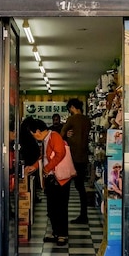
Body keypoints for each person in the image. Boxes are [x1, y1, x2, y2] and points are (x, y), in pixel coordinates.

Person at [24, 118, 71, 246]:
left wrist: (46, 168)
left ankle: (62, 234)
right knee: (52, 207)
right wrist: (34, 166)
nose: (34, 137)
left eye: (33, 134)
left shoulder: (54, 136)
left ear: (38, 131)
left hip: (60, 178)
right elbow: (43, 157)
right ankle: (56, 232)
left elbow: (60, 154)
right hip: (51, 178)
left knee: (60, 207)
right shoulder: (46, 139)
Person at [61, 98, 92, 225]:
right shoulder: (87, 120)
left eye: (70, 109)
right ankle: (83, 214)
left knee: (66, 187)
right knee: (81, 188)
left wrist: (66, 134)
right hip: (83, 157)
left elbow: (61, 134)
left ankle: (63, 214)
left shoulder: (72, 119)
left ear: (73, 107)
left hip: (72, 157)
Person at [19, 116, 42, 203]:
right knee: (31, 179)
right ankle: (32, 197)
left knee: (27, 179)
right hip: (31, 158)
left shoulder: (23, 134)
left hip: (27, 158)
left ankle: (29, 197)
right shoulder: (29, 136)